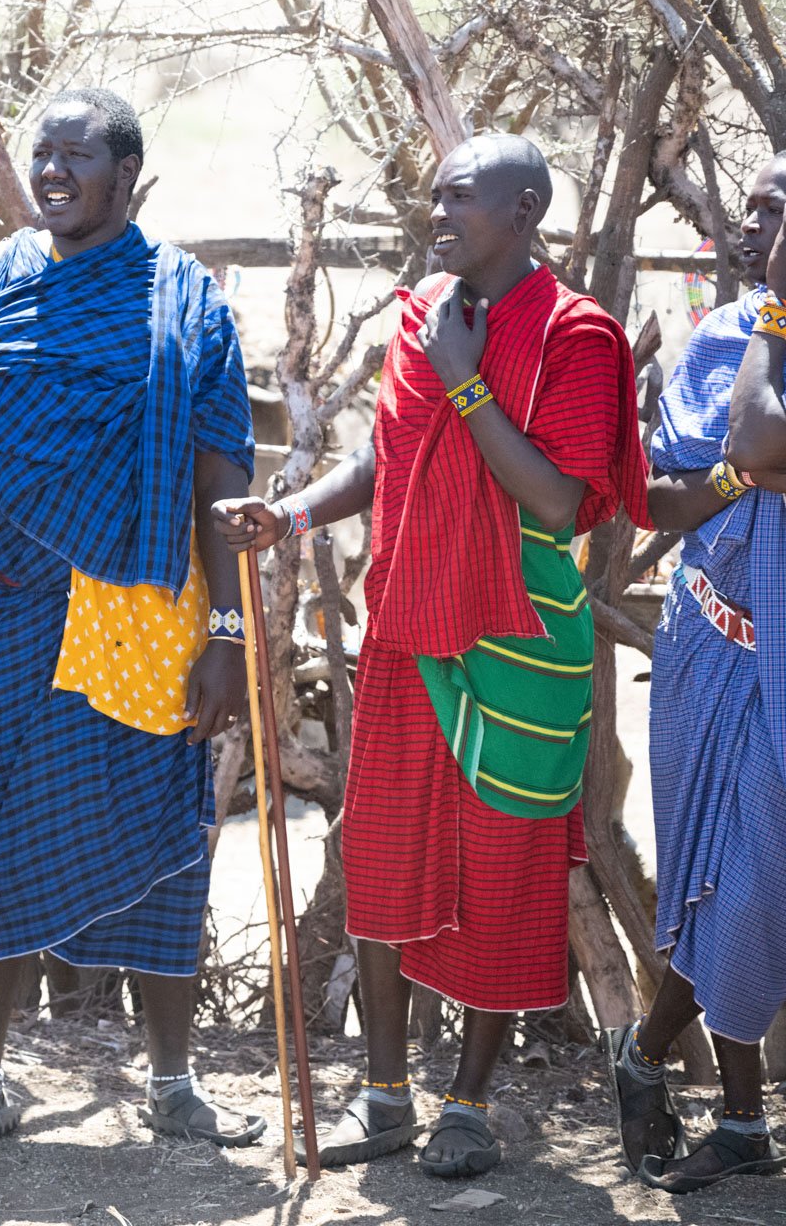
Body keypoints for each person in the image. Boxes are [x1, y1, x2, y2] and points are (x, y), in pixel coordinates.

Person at [217, 135, 650, 1178]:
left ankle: (467, 1098)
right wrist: (289, 513)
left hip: (522, 642)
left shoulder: (576, 338)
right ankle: (384, 1090)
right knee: (385, 858)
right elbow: (385, 456)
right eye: (433, 197)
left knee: (507, 872)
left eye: (460, 198)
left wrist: (467, 382)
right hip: (413, 631)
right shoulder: (423, 317)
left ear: (526, 208)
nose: (436, 213)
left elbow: (555, 496)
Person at [0, 88, 260, 1152]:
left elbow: (219, 469)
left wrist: (229, 632)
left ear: (128, 176)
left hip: (144, 610)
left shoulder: (184, 298)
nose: (52, 171)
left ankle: (174, 1078)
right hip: (8, 614)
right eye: (40, 153)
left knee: (166, 838)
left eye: (77, 156)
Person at [607, 151, 786, 1194]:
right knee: (730, 872)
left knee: (760, 877)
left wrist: (748, 458)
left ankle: (641, 1053)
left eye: (781, 212)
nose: (757, 227)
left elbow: (766, 439)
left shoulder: (756, 340)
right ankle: (741, 1118)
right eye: (752, 210)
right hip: (713, 645)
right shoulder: (725, 337)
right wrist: (737, 471)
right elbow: (665, 499)